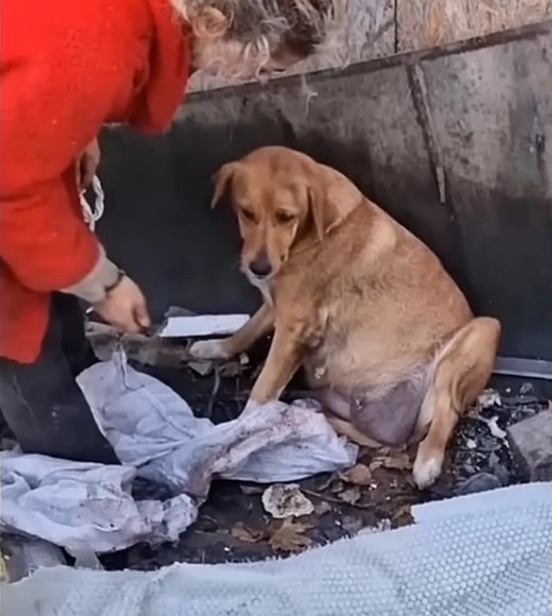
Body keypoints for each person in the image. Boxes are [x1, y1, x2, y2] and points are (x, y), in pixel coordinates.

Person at [0, 0, 341, 463]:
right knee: (19, 339)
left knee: (49, 301)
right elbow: (12, 194)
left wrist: (76, 130)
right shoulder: (99, 47)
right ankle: (88, 493)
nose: (258, 79)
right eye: (261, 65)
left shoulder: (121, 25)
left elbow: (29, 79)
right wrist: (104, 284)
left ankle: (86, 389)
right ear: (214, 23)